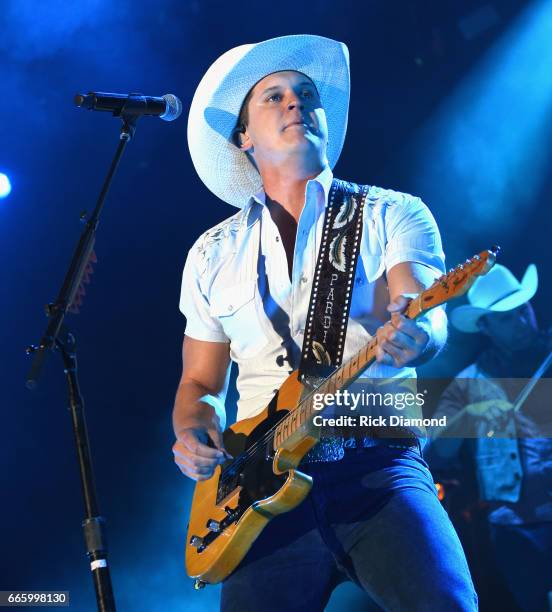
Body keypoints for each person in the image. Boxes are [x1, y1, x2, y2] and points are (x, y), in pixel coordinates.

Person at [172, 35, 477, 611]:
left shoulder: (393, 213)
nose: (295, 103)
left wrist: (417, 337)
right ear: (244, 138)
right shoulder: (211, 253)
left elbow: (424, 316)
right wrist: (192, 433)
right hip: (258, 495)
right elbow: (199, 386)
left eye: (306, 95)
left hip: (377, 470)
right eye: (274, 97)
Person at [427, 263, 552, 612]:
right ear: (486, 327)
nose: (523, 322)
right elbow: (437, 452)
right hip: (513, 529)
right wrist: (469, 416)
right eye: (507, 318)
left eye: (523, 310)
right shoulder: (468, 382)